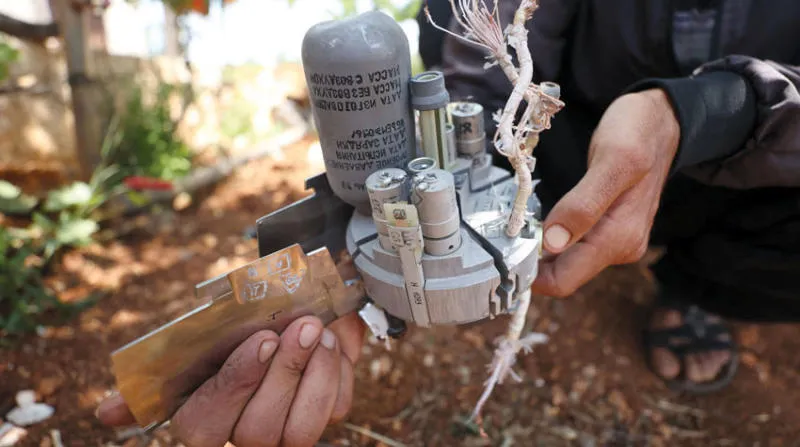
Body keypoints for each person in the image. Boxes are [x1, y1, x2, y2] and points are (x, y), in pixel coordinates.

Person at [97, 1, 800, 445]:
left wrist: (700, 112)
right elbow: (485, 49)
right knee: (506, 135)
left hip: (764, 155)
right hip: (570, 150)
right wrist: (350, 253)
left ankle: (692, 287)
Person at [437, 0, 800, 393]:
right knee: (445, 18)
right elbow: (495, 50)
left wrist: (700, 114)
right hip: (578, 139)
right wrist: (468, 161)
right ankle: (492, 240)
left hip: (755, 162)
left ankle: (694, 284)